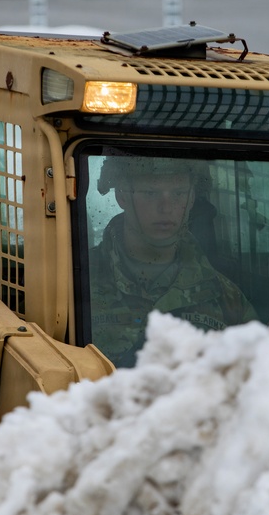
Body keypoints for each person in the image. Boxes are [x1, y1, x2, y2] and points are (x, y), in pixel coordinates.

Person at [88, 155, 258, 367]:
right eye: (150, 193)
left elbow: (256, 376)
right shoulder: (77, 281)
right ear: (122, 196)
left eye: (178, 193)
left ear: (192, 198)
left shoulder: (226, 298)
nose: (166, 208)